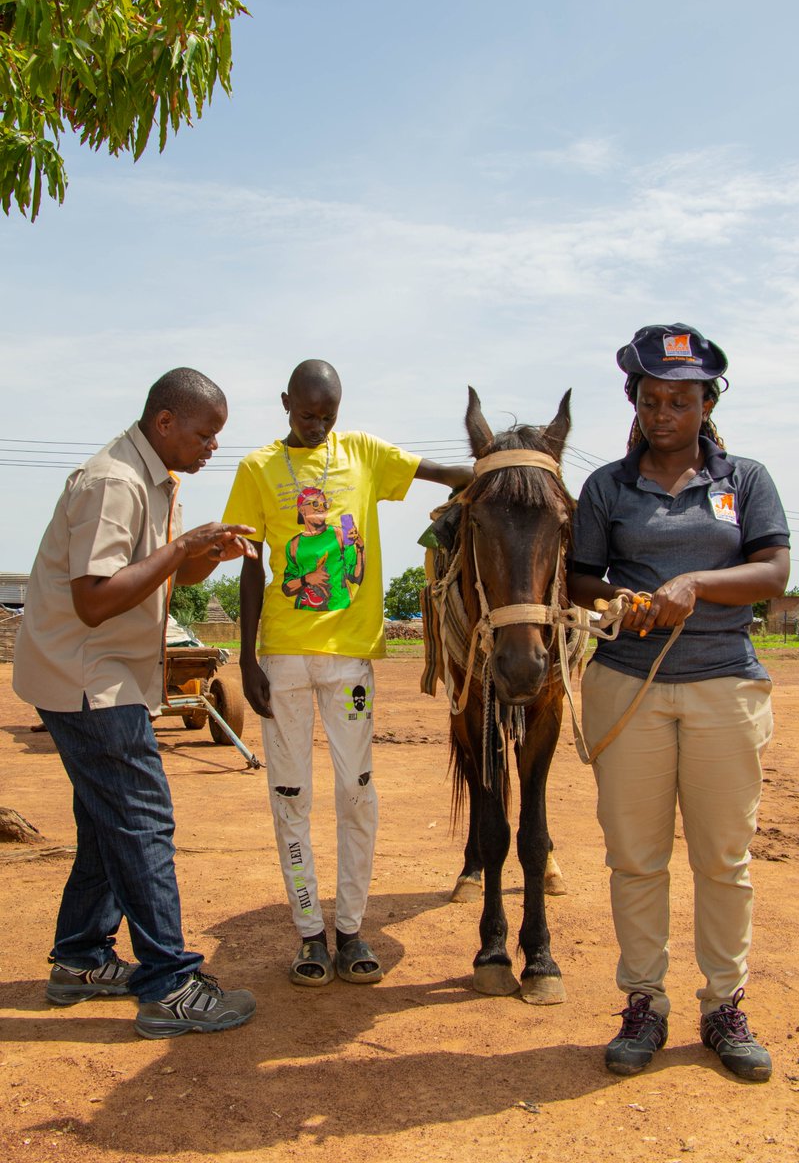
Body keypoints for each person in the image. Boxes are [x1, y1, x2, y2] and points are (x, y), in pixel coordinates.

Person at [567, 324, 790, 1082]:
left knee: (725, 860)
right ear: (634, 401)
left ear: (706, 404)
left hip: (725, 682)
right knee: (636, 859)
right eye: (651, 398)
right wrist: (623, 599)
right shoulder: (606, 488)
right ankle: (644, 1004)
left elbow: (772, 573)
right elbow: (577, 579)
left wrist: (694, 586)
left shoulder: (747, 480)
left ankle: (724, 1006)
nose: (664, 413)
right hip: (628, 686)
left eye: (681, 401)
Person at [13, 368, 259, 1039]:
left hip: (97, 674)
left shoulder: (154, 478)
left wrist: (203, 554)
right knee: (142, 820)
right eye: (206, 433)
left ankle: (81, 960)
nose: (213, 446)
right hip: (88, 679)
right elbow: (95, 598)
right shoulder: (115, 483)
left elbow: (162, 574)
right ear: (165, 423)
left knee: (105, 821)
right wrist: (182, 545)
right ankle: (169, 985)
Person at [223, 358, 472, 986]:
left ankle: (353, 927)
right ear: (285, 403)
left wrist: (502, 471)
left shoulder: (362, 453)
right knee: (291, 796)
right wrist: (248, 656)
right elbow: (253, 566)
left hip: (350, 661)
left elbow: (437, 471)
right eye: (306, 414)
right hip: (281, 659)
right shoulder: (256, 469)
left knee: (357, 792)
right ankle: (310, 934)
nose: (316, 426)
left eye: (327, 416)